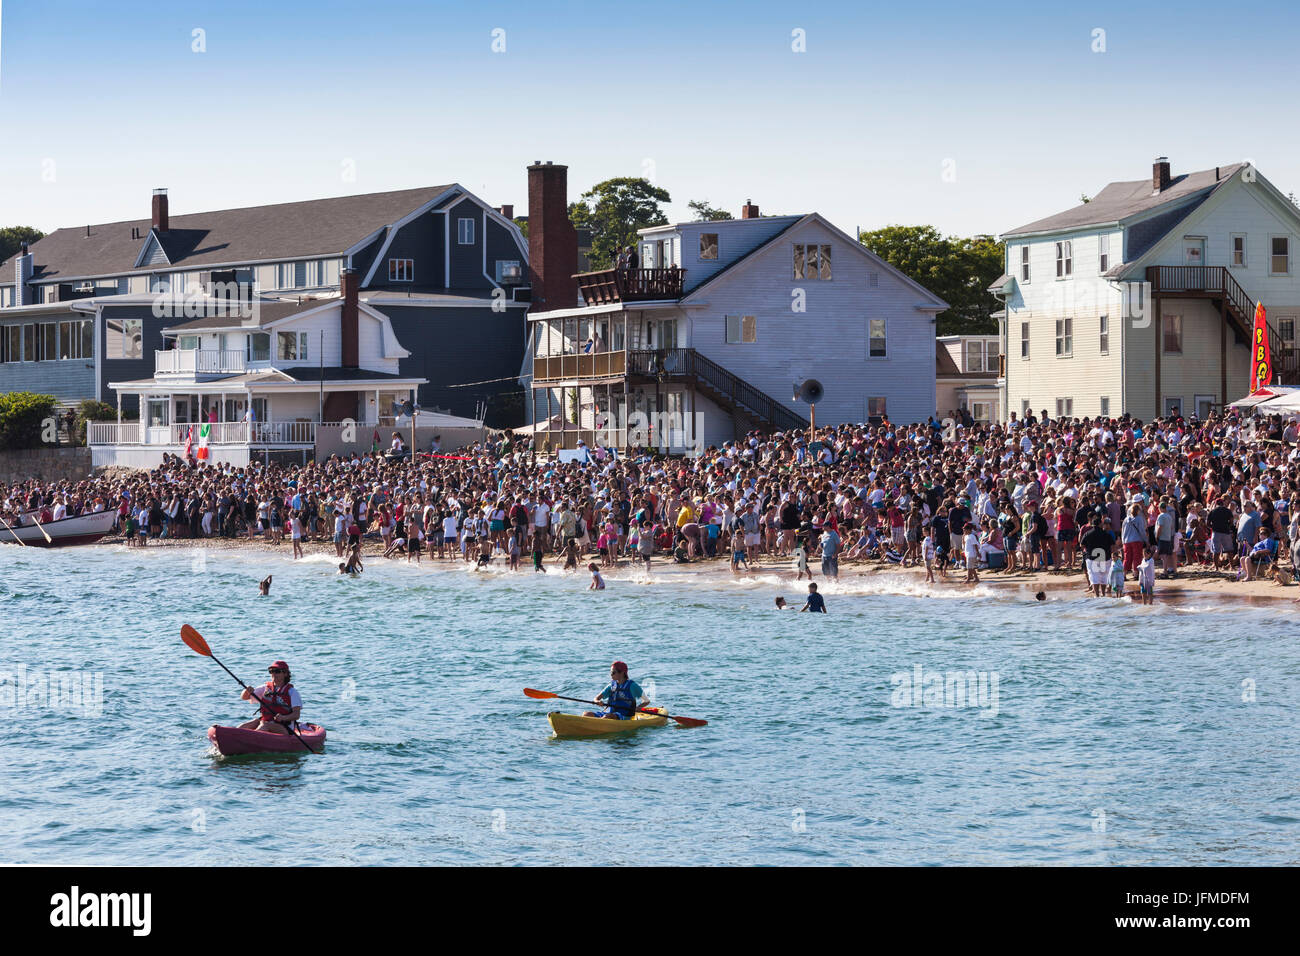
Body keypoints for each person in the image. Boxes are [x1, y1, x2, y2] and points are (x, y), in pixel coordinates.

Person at [237, 660, 302, 735]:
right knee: (249, 724)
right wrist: (247, 691)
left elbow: (296, 715)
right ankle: (233, 736)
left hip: (284, 727)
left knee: (265, 725)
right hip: (266, 722)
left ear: (285, 674)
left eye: (277, 671)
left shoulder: (292, 692)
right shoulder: (265, 688)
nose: (274, 674)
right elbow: (244, 697)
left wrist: (283, 718)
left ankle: (250, 739)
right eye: (271, 671)